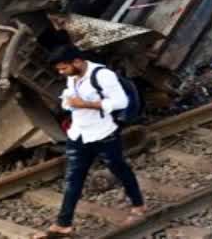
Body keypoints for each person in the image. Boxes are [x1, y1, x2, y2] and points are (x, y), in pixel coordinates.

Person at [41, 46, 145, 239]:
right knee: (73, 178)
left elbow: (120, 102)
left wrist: (85, 104)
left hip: (103, 133)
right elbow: (69, 98)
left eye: (64, 68)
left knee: (119, 169)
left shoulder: (103, 75)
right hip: (78, 134)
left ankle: (138, 205)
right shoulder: (73, 76)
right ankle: (63, 224)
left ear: (77, 62)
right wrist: (68, 101)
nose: (61, 72)